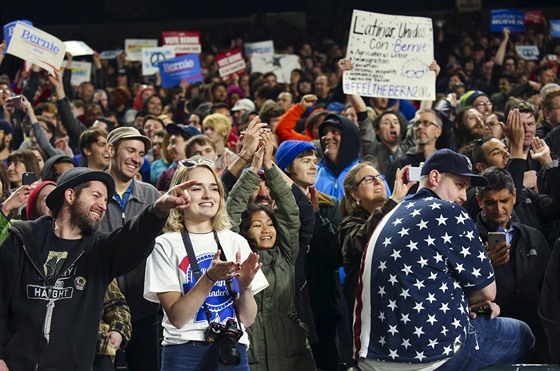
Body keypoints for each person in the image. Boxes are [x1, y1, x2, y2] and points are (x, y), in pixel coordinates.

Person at [355, 149, 535, 370]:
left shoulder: (392, 213)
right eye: (459, 185)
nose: (463, 196)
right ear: (434, 177)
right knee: (523, 335)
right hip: (429, 358)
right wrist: (477, 305)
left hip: (372, 357)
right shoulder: (448, 211)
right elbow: (488, 293)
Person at [0, 167, 192, 370]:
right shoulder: (21, 239)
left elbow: (133, 238)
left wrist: (158, 210)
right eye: (96, 196)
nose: (103, 206)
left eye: (106, 200)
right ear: (70, 195)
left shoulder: (101, 251)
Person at [144, 159, 268, 371]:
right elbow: (178, 318)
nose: (207, 195)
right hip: (184, 353)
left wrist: (246, 287)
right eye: (197, 188)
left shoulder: (235, 241)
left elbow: (247, 319)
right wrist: (209, 278)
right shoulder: (164, 244)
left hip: (231, 348)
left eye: (213, 188)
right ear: (180, 195)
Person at [226, 138, 315, 370]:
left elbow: (290, 209)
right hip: (252, 354)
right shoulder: (236, 254)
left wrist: (269, 165)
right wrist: (253, 171)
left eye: (270, 224)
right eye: (257, 225)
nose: (266, 229)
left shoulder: (287, 254)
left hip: (292, 354)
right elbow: (231, 214)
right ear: (244, 231)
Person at [275, 139, 342, 370]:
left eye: (315, 161)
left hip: (322, 301)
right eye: (305, 161)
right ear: (286, 168)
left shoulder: (329, 204)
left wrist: (315, 219)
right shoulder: (271, 206)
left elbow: (335, 255)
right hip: (286, 300)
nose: (314, 166)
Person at [100, 126, 162, 371]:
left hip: (146, 311)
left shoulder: (152, 195)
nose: (137, 159)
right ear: (111, 150)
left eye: (141, 153)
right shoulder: (94, 192)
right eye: (131, 150)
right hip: (100, 312)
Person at [475, 167, 551, 362]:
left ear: (515, 196)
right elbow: (463, 299)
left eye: (504, 201)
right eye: (491, 202)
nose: (499, 210)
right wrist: (485, 264)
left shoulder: (534, 237)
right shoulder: (467, 240)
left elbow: (549, 290)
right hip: (495, 340)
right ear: (479, 201)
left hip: (538, 336)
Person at [315, 114, 360, 201]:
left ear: (349, 138)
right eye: (324, 133)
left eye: (335, 132)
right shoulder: (313, 173)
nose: (327, 137)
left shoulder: (367, 175)